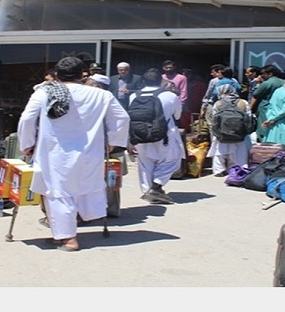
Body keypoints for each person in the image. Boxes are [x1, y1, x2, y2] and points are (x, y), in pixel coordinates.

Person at [18, 56, 129, 252]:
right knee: (84, 187)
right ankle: (80, 221)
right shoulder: (100, 95)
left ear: (57, 75)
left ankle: (68, 238)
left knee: (58, 193)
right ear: (82, 75)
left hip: (54, 153)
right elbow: (122, 117)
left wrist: (27, 144)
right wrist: (113, 142)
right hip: (90, 152)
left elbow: (27, 118)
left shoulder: (44, 92)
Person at [130, 68, 185, 205]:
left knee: (145, 163)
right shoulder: (170, 96)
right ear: (160, 80)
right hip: (164, 134)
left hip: (140, 134)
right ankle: (156, 186)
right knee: (172, 160)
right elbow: (177, 115)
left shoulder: (133, 96)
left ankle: (147, 191)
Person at [206, 84, 252, 177]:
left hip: (222, 132)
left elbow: (214, 119)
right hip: (239, 132)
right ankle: (239, 168)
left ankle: (219, 170)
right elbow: (249, 117)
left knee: (219, 151)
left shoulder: (218, 103)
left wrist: (216, 131)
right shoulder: (243, 102)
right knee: (239, 150)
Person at [249, 64, 285, 142]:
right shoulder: (283, 82)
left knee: (263, 127)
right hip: (279, 108)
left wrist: (249, 108)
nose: (261, 76)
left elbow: (256, 95)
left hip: (265, 108)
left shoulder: (267, 83)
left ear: (270, 74)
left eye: (263, 74)